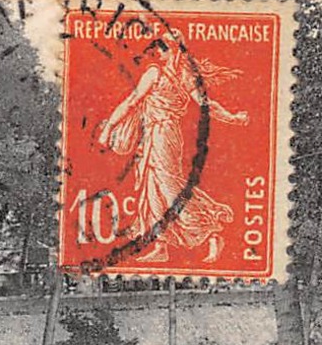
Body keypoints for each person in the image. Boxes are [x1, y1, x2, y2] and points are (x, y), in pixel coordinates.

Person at [95, 28, 248, 265]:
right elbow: (134, 101)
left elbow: (133, 102)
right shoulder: (175, 74)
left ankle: (211, 230)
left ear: (169, 50)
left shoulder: (165, 74)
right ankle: (161, 244)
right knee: (153, 187)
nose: (156, 52)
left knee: (168, 188)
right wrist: (233, 117)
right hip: (155, 135)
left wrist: (108, 129)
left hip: (163, 135)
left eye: (160, 48)